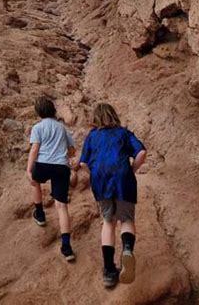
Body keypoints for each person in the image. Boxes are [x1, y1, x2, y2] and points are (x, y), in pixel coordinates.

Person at [79, 103, 146, 288]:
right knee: (126, 219)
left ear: (96, 118)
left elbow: (83, 163)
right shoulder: (123, 133)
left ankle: (109, 271)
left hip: (100, 179)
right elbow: (141, 152)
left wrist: (95, 171)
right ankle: (126, 250)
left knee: (108, 221)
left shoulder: (92, 136)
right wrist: (132, 169)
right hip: (123, 178)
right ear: (113, 115)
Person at [27, 96, 76, 262]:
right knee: (61, 206)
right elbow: (72, 150)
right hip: (61, 167)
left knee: (35, 182)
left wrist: (29, 169)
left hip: (43, 164)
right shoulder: (62, 128)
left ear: (38, 113)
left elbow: (34, 149)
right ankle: (67, 247)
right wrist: (64, 157)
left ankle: (40, 214)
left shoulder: (38, 127)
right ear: (53, 110)